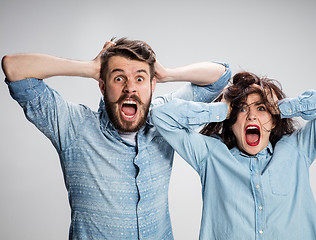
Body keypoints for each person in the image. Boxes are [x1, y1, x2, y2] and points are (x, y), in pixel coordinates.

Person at [2, 37, 231, 239]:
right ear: (102, 86)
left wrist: (167, 74)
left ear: (153, 86)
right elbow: (14, 68)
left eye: (140, 79)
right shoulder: (74, 126)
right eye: (119, 78)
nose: (130, 88)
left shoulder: (165, 120)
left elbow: (219, 77)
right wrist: (89, 68)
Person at [151, 71, 316, 239]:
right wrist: (223, 109)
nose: (252, 115)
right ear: (231, 121)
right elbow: (161, 115)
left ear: (273, 121)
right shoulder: (211, 156)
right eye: (242, 109)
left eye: (261, 108)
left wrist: (282, 107)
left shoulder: (298, 149)